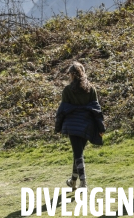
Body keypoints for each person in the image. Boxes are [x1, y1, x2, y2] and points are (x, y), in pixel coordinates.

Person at [55, 62, 105, 190]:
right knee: (78, 153)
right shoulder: (91, 89)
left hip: (72, 125)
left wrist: (58, 126)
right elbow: (96, 110)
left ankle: (83, 182)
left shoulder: (67, 90)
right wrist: (100, 128)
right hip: (86, 125)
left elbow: (62, 110)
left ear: (71, 75)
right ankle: (73, 180)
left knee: (78, 154)